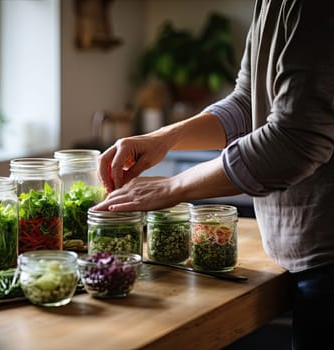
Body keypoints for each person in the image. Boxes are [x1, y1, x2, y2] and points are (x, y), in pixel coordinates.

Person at [92, 1, 334, 349]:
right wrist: (165, 137)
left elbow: (296, 140)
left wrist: (173, 187)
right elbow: (248, 101)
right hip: (303, 264)